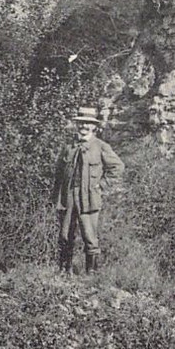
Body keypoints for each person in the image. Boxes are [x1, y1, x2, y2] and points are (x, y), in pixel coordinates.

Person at [53, 106, 124, 275]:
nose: (83, 127)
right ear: (76, 125)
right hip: (68, 196)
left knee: (89, 235)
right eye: (81, 123)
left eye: (87, 124)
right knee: (65, 234)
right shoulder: (68, 147)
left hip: (89, 197)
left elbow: (118, 167)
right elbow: (58, 172)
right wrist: (56, 197)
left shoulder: (100, 146)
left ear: (94, 126)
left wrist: (101, 185)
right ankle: (65, 269)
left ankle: (91, 272)